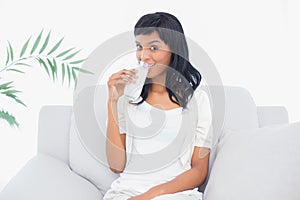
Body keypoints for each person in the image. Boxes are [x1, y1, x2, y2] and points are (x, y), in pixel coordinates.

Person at [104, 12, 212, 200]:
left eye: (153, 47)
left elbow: (199, 170)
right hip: (125, 193)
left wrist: (150, 196)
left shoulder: (198, 101)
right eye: (139, 47)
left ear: (175, 50)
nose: (144, 56)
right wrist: (113, 101)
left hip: (174, 195)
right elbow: (116, 165)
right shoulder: (128, 95)